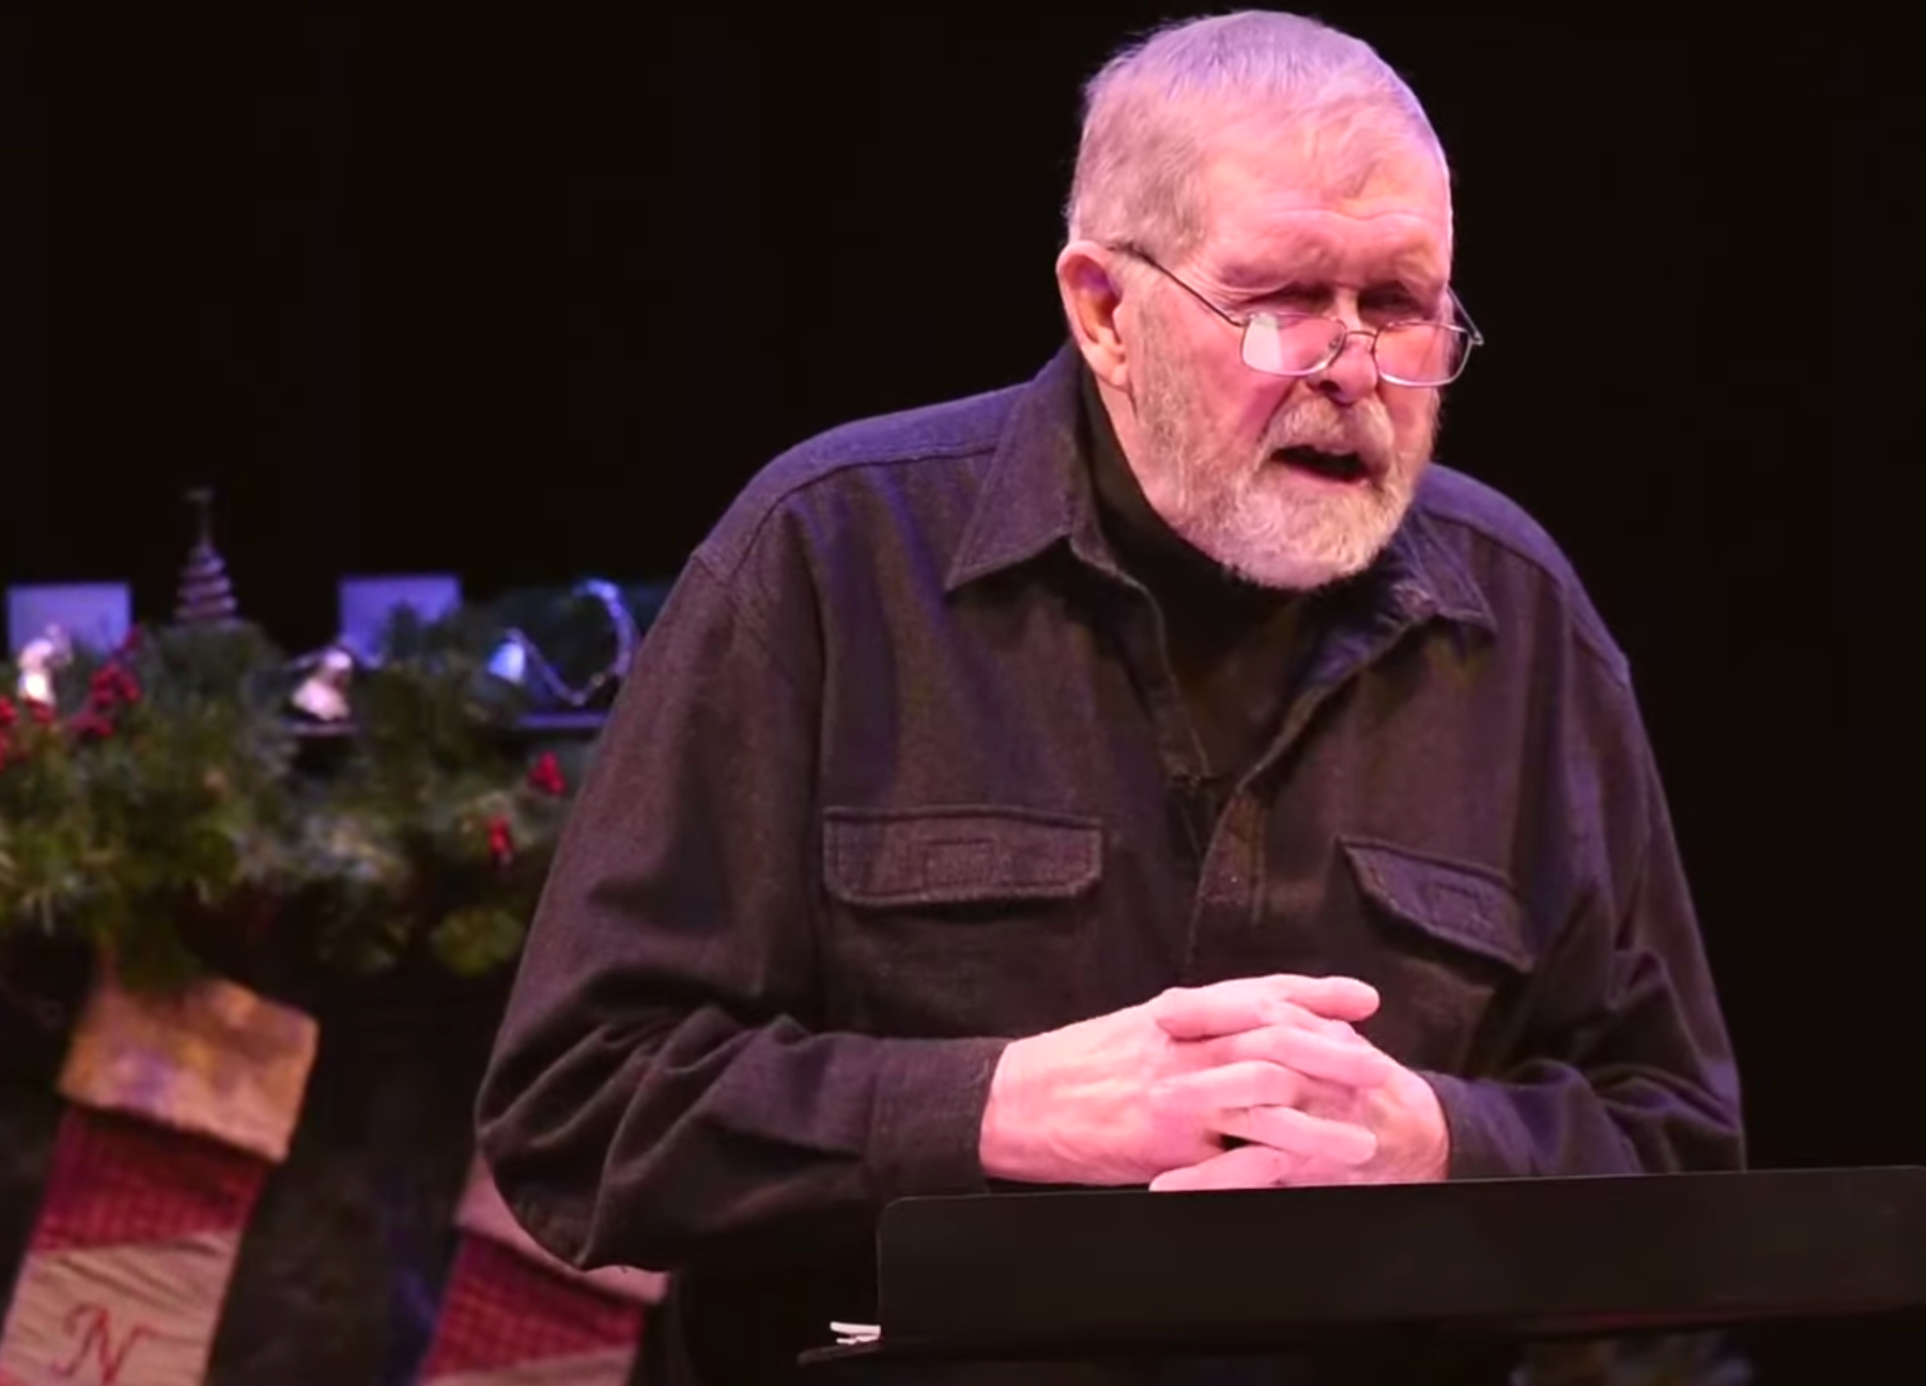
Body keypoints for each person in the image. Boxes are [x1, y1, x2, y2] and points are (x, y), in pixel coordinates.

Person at [474, 11, 1744, 1384]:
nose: (1353, 366)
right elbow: (578, 1107)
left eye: (1399, 304)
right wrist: (989, 1109)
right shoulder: (830, 559)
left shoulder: (1523, 625)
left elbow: (1676, 1142)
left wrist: (1441, 1143)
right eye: (1280, 301)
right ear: (1104, 311)